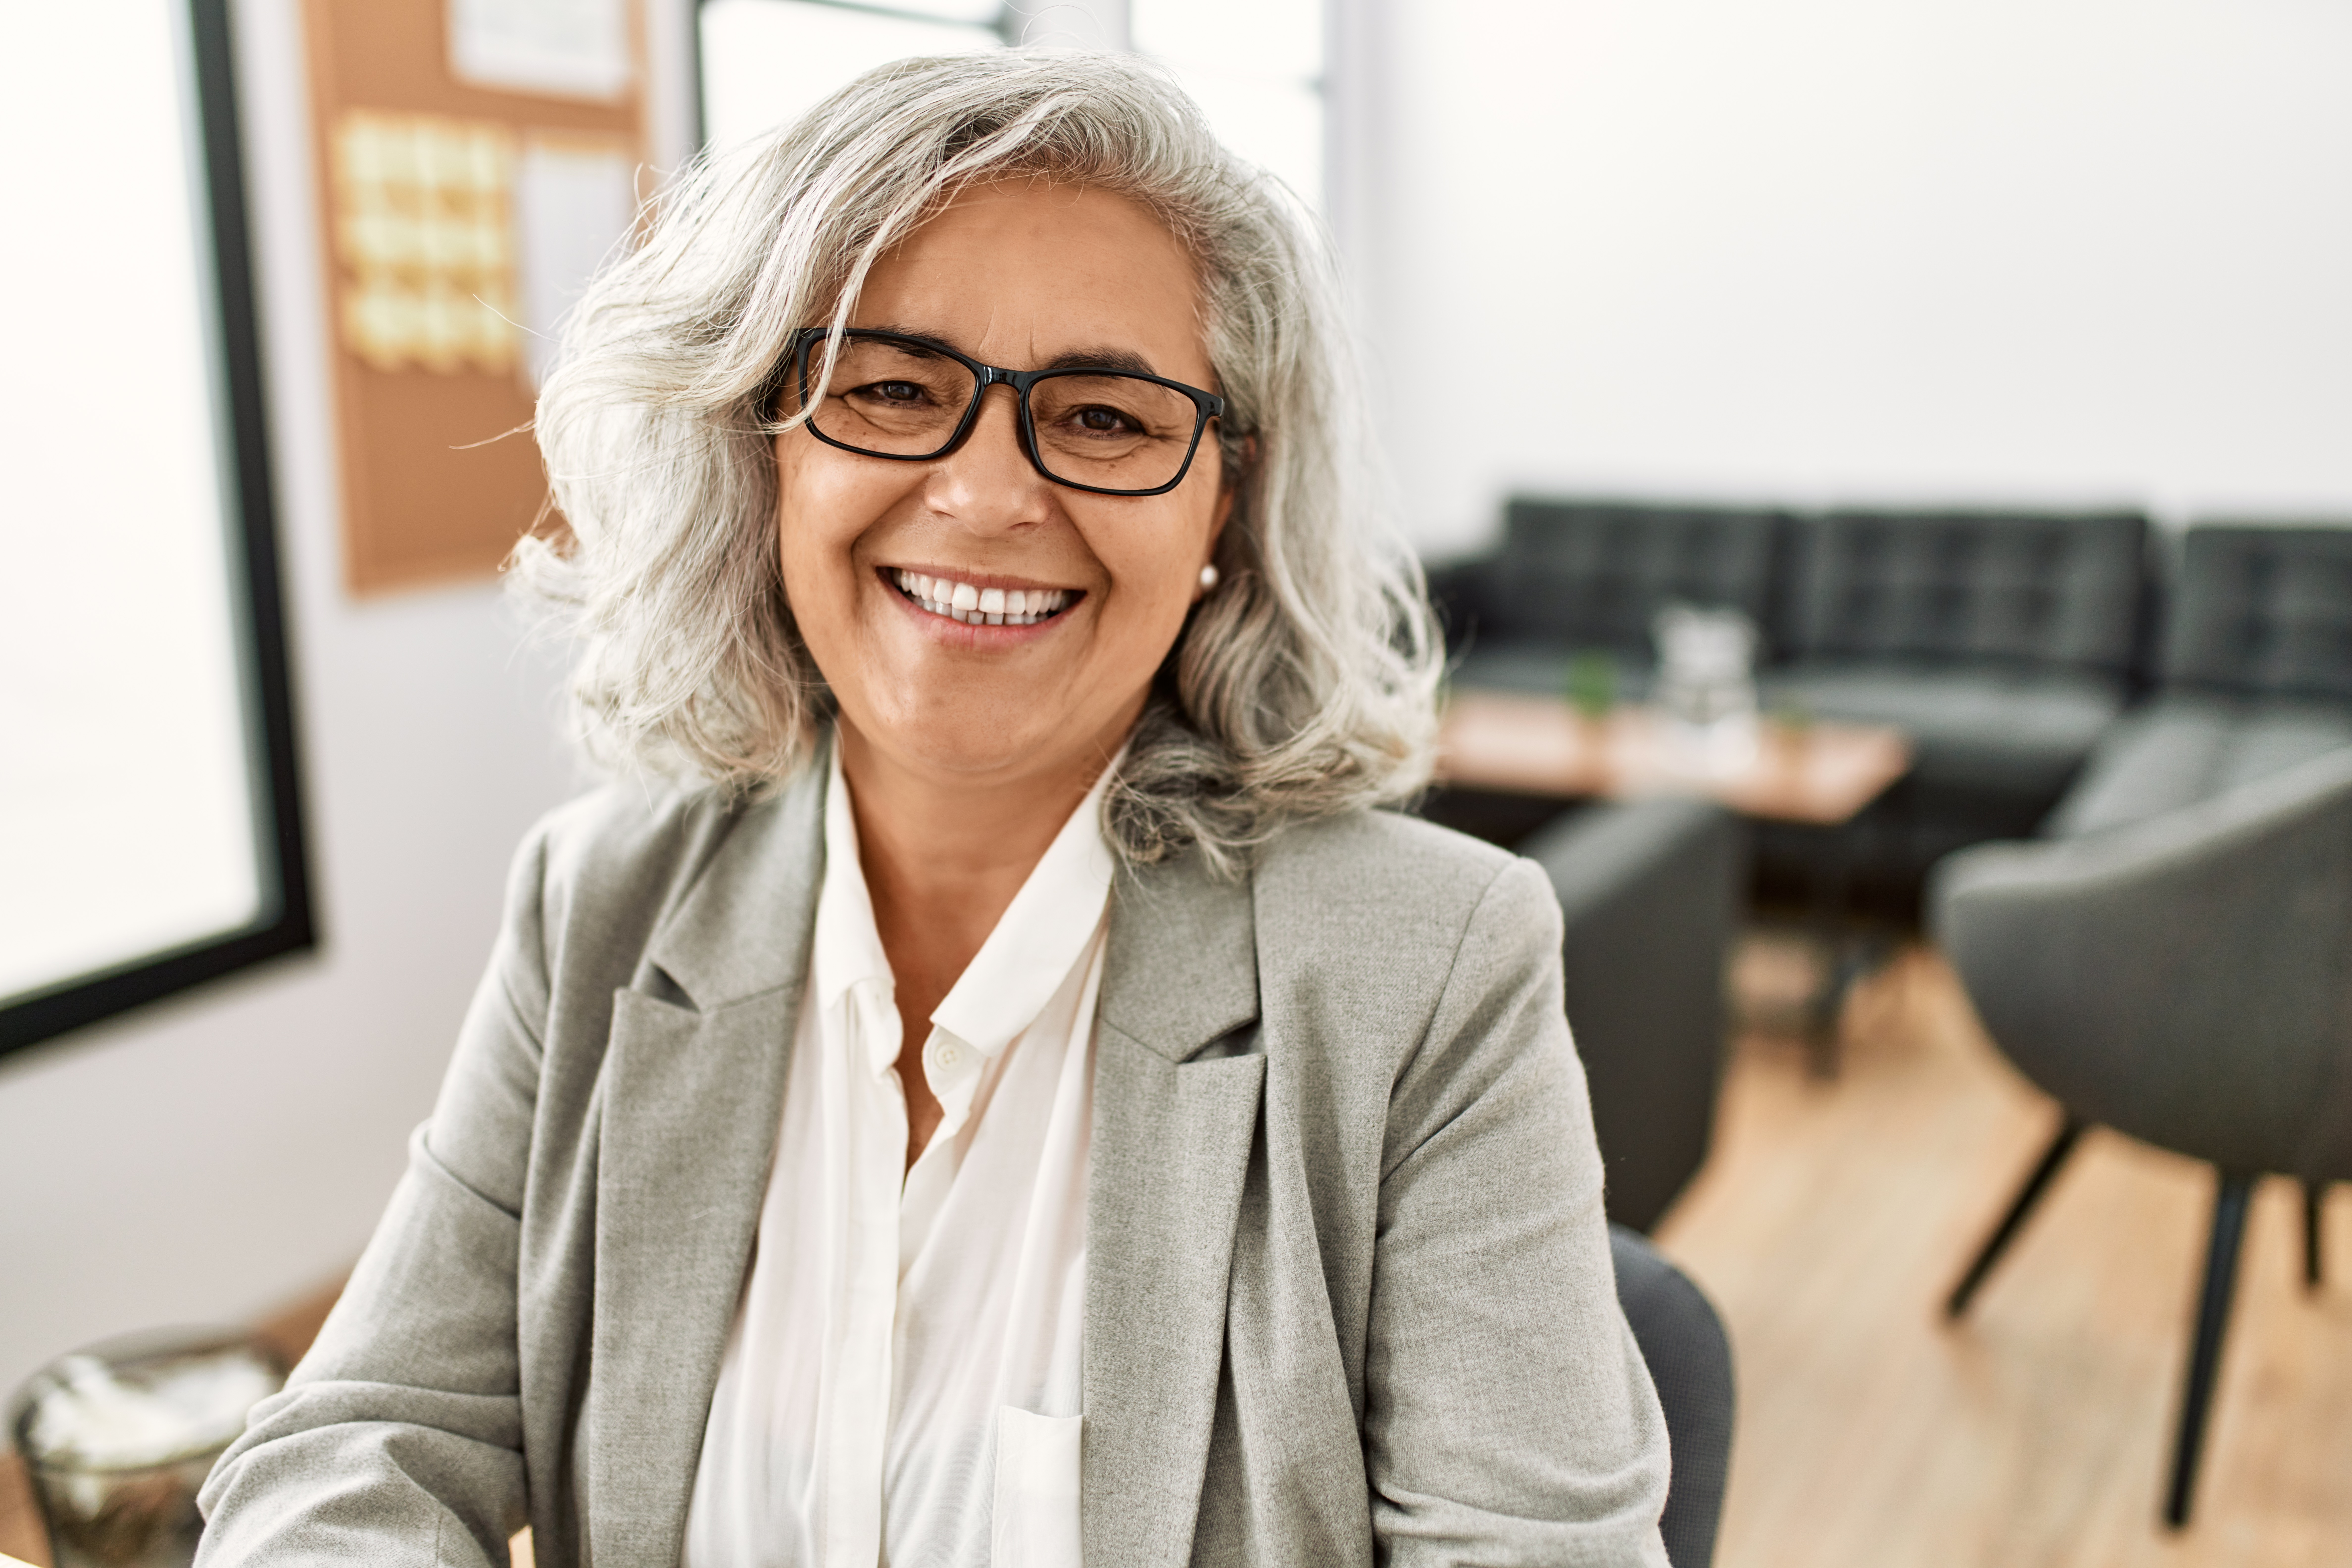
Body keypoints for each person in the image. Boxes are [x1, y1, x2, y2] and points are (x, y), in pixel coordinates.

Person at [197, 50, 1670, 1568]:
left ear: (1220, 498)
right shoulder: (602, 906)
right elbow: (352, 1448)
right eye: (892, 388)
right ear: (759, 447)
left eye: (1103, 416)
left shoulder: (1430, 969)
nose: (984, 495)